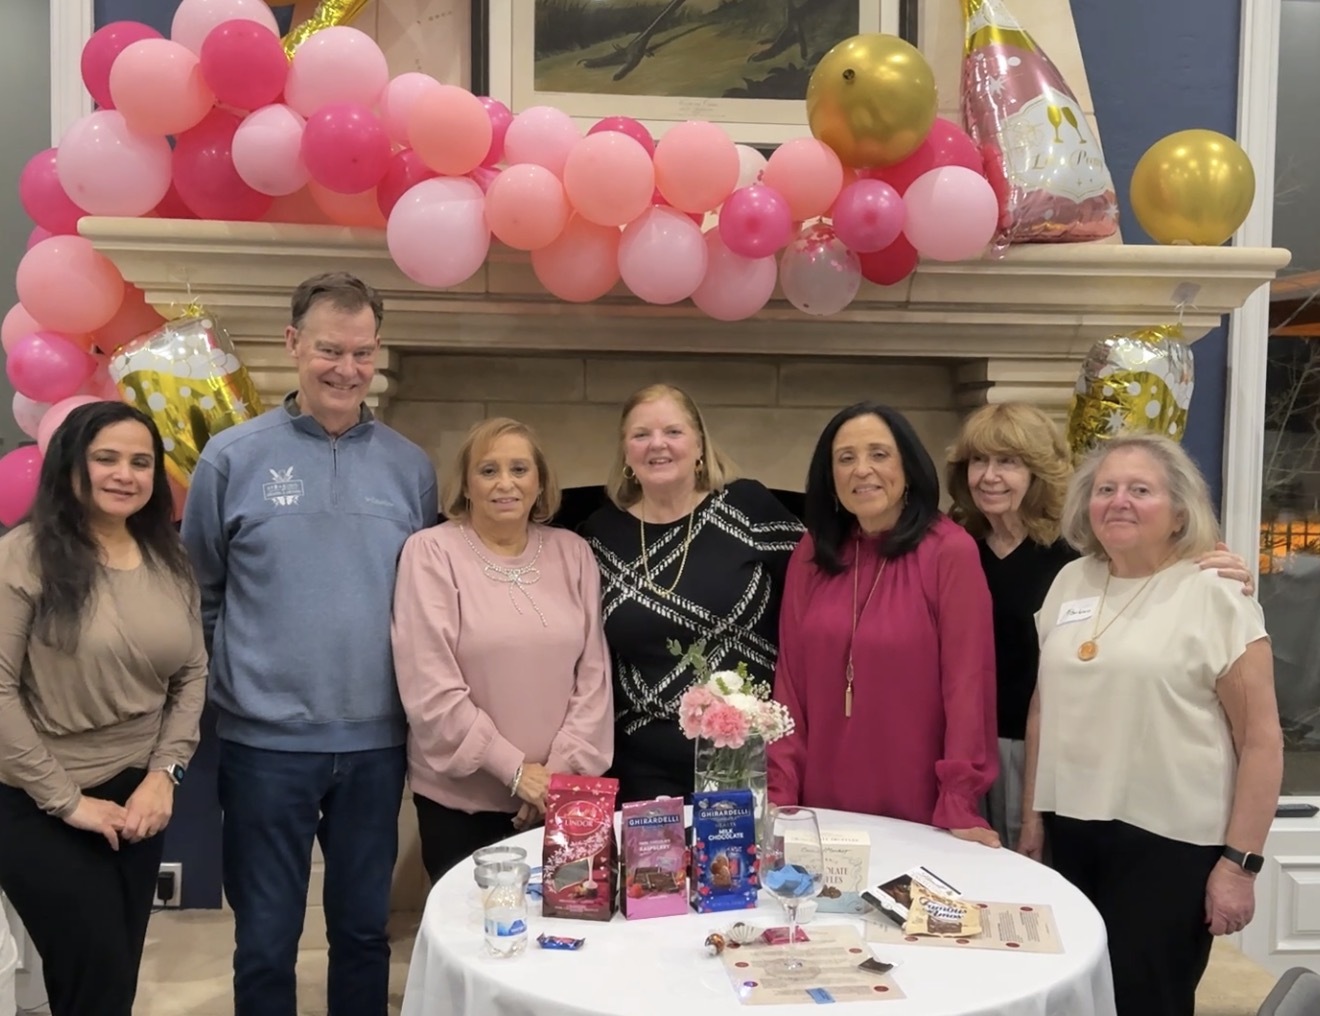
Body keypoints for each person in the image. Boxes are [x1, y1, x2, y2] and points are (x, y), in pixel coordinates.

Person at [181, 273, 438, 1016]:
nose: (346, 369)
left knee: (363, 932)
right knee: (265, 938)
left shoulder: (410, 467)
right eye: (330, 349)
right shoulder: (230, 460)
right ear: (293, 344)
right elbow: (201, 591)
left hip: (375, 745)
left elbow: (425, 597)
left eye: (362, 353)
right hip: (264, 747)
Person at [1020, 433, 1283, 1016]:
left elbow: (1262, 740)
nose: (1119, 501)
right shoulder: (1071, 582)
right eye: (1106, 489)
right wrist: (1033, 817)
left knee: (1144, 1001)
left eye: (1141, 490)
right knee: (1071, 997)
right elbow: (1045, 706)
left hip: (1172, 844)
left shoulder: (1217, 593)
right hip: (1074, 830)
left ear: (1180, 510)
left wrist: (1240, 866)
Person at [946, 404, 1257, 849]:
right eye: (979, 461)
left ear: (1039, 471)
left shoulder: (1078, 557)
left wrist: (1222, 564)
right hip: (964, 748)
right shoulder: (955, 549)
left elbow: (1160, 572)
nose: (989, 476)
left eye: (1008, 462)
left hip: (1050, 753)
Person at [0, 401, 206, 1016]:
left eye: (141, 462)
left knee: (109, 976)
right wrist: (67, 802)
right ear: (71, 467)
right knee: (96, 978)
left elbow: (192, 672)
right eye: (106, 458)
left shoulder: (169, 556)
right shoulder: (23, 556)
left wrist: (163, 776)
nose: (126, 474)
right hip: (39, 800)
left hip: (138, 799)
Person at [392, 418, 613, 883]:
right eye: (488, 470)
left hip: (562, 800)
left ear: (540, 482)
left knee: (566, 942)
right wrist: (516, 773)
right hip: (463, 809)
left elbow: (594, 677)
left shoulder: (573, 552)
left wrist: (553, 780)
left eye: (519, 469)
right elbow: (430, 687)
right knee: (481, 944)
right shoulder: (430, 553)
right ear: (467, 485)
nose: (505, 483)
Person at [768, 401, 999, 845]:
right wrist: (781, 789)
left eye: (879, 454)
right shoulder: (813, 552)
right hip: (821, 800)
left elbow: (968, 684)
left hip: (917, 800)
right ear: (830, 477)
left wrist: (960, 800)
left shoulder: (950, 552)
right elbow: (790, 685)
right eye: (846, 458)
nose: (862, 470)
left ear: (908, 467)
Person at [579, 384, 805, 804]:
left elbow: (816, 596)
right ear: (626, 452)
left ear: (699, 444)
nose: (657, 444)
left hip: (745, 753)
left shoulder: (748, 508)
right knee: (653, 873)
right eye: (641, 434)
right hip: (643, 763)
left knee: (740, 870)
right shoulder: (600, 536)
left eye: (673, 432)